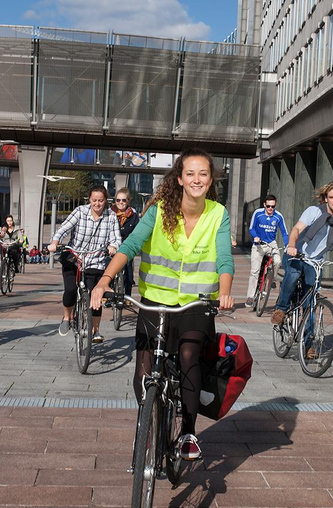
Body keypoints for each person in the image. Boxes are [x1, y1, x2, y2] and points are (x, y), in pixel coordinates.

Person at [91, 149, 235, 461]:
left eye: (203, 174)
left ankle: (188, 432)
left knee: (188, 356)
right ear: (180, 178)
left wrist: (224, 292)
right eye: (191, 174)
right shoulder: (158, 212)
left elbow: (224, 257)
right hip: (155, 301)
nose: (197, 179)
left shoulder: (217, 214)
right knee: (142, 374)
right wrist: (104, 280)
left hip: (196, 304)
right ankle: (149, 422)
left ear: (211, 181)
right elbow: (130, 246)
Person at [271, 182, 333, 335]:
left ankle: (308, 345)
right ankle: (281, 308)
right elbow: (296, 229)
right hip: (296, 254)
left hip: (314, 262)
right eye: (331, 197)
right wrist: (292, 245)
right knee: (293, 275)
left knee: (310, 303)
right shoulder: (314, 211)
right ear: (326, 199)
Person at [48, 185, 121, 342]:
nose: (97, 204)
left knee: (96, 296)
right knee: (70, 290)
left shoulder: (111, 216)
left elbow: (116, 238)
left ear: (105, 201)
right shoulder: (80, 211)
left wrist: (113, 246)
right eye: (94, 200)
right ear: (89, 199)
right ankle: (67, 317)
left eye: (100, 201)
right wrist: (55, 242)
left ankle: (95, 331)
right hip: (74, 258)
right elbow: (64, 229)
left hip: (96, 261)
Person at [245, 194, 289, 307]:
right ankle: (250, 296)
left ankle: (272, 279)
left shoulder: (278, 216)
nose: (270, 209)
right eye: (268, 206)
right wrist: (255, 236)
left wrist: (288, 244)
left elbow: (284, 232)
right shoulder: (258, 213)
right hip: (259, 244)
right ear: (264, 204)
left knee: (278, 261)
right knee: (254, 271)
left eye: (273, 206)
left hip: (271, 244)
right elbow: (251, 228)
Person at [110, 187, 140, 296]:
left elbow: (137, 232)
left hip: (127, 247)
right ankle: (108, 295)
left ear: (128, 201)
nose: (121, 203)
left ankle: (127, 296)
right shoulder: (109, 214)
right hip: (112, 247)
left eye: (123, 200)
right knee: (108, 269)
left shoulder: (133, 215)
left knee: (128, 272)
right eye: (118, 200)